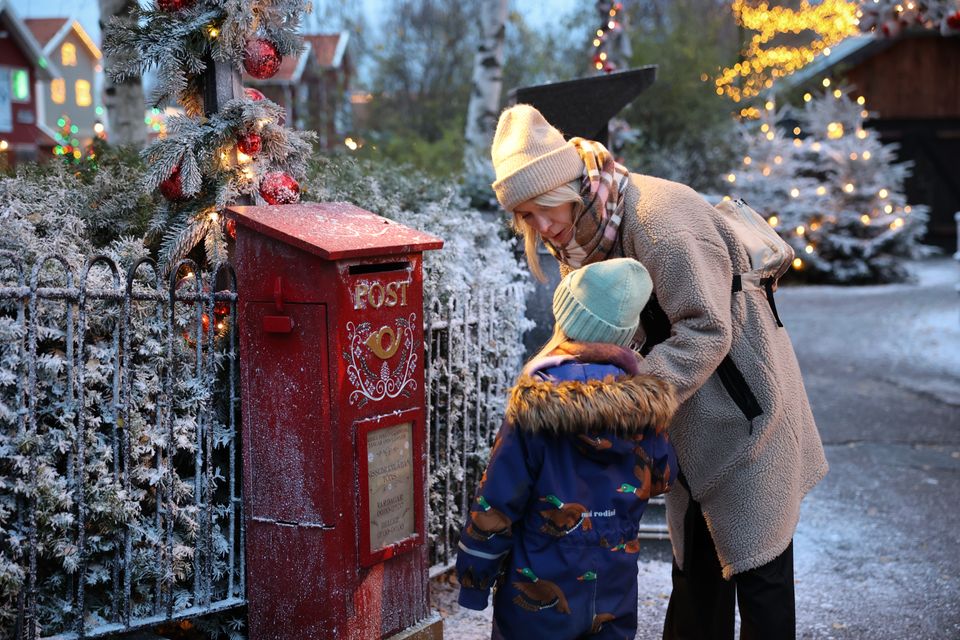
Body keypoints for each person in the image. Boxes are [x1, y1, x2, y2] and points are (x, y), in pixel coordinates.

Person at [488, 103, 828, 640]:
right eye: (525, 216)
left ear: (565, 187)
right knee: (697, 580)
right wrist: (554, 380)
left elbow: (708, 329)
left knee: (761, 578)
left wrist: (625, 396)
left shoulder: (658, 219)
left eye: (540, 209)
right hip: (688, 423)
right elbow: (589, 330)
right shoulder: (580, 233)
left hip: (748, 416)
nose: (539, 227)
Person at [455, 258, 679, 639]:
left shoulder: (534, 406)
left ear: (568, 323)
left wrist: (474, 579)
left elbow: (498, 499)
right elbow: (662, 479)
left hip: (537, 589)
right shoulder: (644, 408)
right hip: (613, 589)